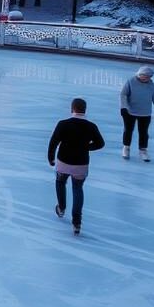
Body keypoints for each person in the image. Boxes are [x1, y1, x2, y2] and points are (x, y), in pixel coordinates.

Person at [47, 97, 105, 236]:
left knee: (60, 182)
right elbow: (100, 143)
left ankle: (61, 208)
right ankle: (77, 222)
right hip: (81, 163)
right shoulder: (91, 126)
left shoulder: (63, 124)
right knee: (77, 189)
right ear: (85, 110)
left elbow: (54, 142)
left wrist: (51, 157)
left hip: (63, 161)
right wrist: (86, 147)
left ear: (72, 109)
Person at [120, 65, 154, 161]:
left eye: (148, 77)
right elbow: (123, 94)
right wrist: (124, 107)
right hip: (129, 112)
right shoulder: (131, 82)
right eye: (143, 76)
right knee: (128, 130)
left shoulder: (152, 86)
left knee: (144, 133)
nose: (145, 78)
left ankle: (143, 150)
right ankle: (126, 147)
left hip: (145, 113)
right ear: (139, 74)